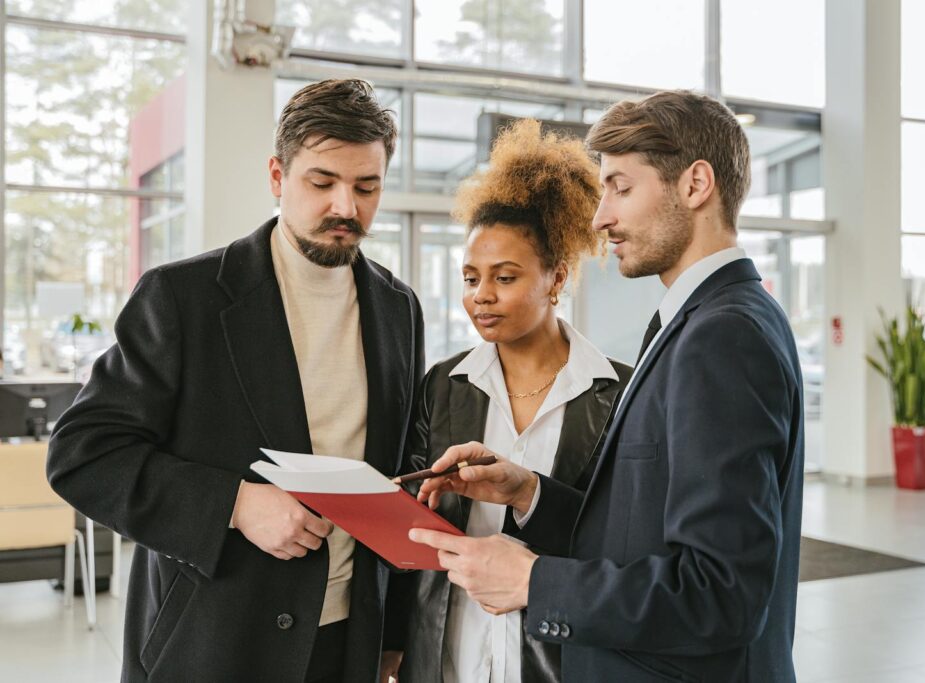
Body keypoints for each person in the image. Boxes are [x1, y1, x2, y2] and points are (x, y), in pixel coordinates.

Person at [410, 90, 805, 683]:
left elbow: (721, 593)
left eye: (620, 187)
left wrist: (532, 580)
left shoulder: (722, 337)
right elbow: (635, 533)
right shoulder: (699, 322)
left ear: (696, 185)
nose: (600, 218)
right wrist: (526, 492)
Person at [47, 79, 423, 683]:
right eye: (322, 183)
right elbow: (82, 456)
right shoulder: (181, 297)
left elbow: (399, 464)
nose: (346, 208)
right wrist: (237, 504)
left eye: (367, 187)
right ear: (278, 176)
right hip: (213, 640)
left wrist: (395, 635)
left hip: (348, 641)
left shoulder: (398, 306)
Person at [397, 120, 631, 683]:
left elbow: (620, 541)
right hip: (450, 656)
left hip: (559, 660)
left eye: (504, 277)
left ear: (557, 277)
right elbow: (413, 531)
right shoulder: (442, 385)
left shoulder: (619, 393)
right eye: (471, 277)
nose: (481, 296)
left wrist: (530, 497)